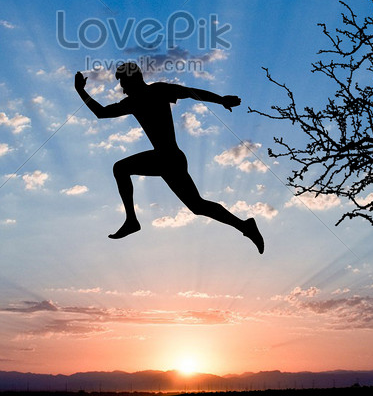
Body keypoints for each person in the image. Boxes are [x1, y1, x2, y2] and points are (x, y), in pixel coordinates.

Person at [74, 62, 264, 253]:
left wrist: (221, 99)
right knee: (197, 206)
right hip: (171, 159)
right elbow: (102, 113)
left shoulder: (158, 90)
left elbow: (190, 92)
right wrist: (80, 91)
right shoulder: (133, 101)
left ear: (134, 79)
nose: (122, 89)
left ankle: (131, 221)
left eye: (123, 83)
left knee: (120, 168)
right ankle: (245, 226)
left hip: (167, 157)